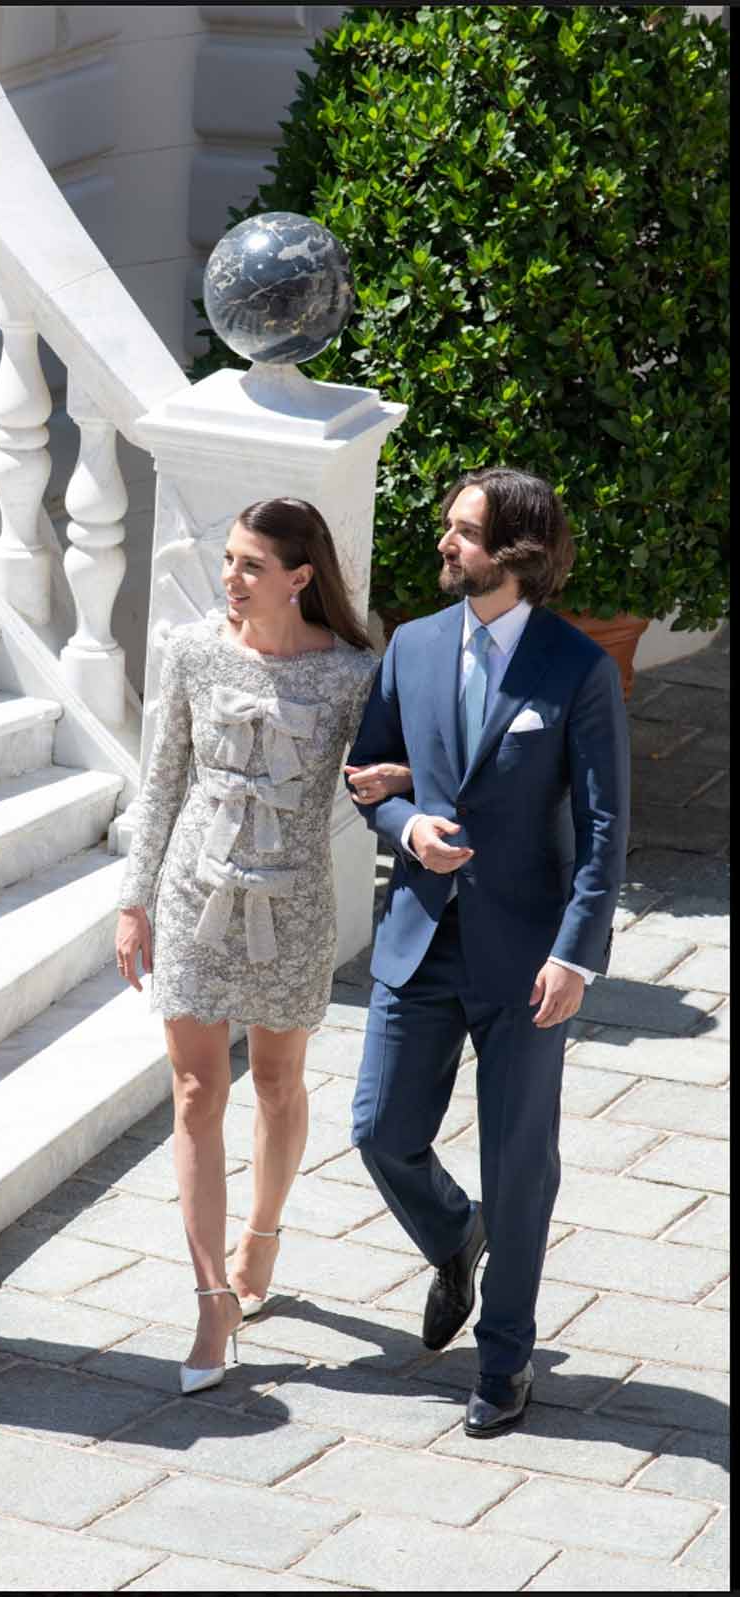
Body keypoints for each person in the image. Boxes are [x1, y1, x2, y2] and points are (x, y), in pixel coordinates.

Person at [345, 466, 629, 1437]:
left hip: (524, 959)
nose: (443, 544)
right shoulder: (413, 646)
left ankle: (504, 1360)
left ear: (514, 553)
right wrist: (408, 823)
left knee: (519, 1165)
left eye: (461, 532)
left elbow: (603, 828)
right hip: (419, 940)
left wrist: (576, 956)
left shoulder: (575, 668)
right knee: (380, 1127)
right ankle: (451, 1232)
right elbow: (368, 778)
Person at [116, 497, 384, 1395]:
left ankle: (261, 1234)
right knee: (197, 1088)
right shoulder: (193, 651)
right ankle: (209, 1301)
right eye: (228, 559)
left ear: (300, 578)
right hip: (194, 894)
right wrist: (132, 899)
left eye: (249, 566)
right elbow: (160, 786)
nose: (229, 579)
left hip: (294, 902)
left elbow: (393, 767)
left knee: (276, 1081)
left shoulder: (352, 673)